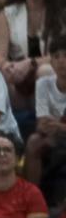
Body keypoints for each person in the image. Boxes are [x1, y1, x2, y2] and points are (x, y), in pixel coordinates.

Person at [26, 36, 66, 187]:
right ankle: (33, 194)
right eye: (56, 57)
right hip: (53, 137)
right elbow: (42, 124)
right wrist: (58, 127)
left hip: (59, 133)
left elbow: (49, 123)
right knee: (34, 142)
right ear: (52, 63)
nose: (62, 61)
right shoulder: (43, 84)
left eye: (65, 55)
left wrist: (57, 125)